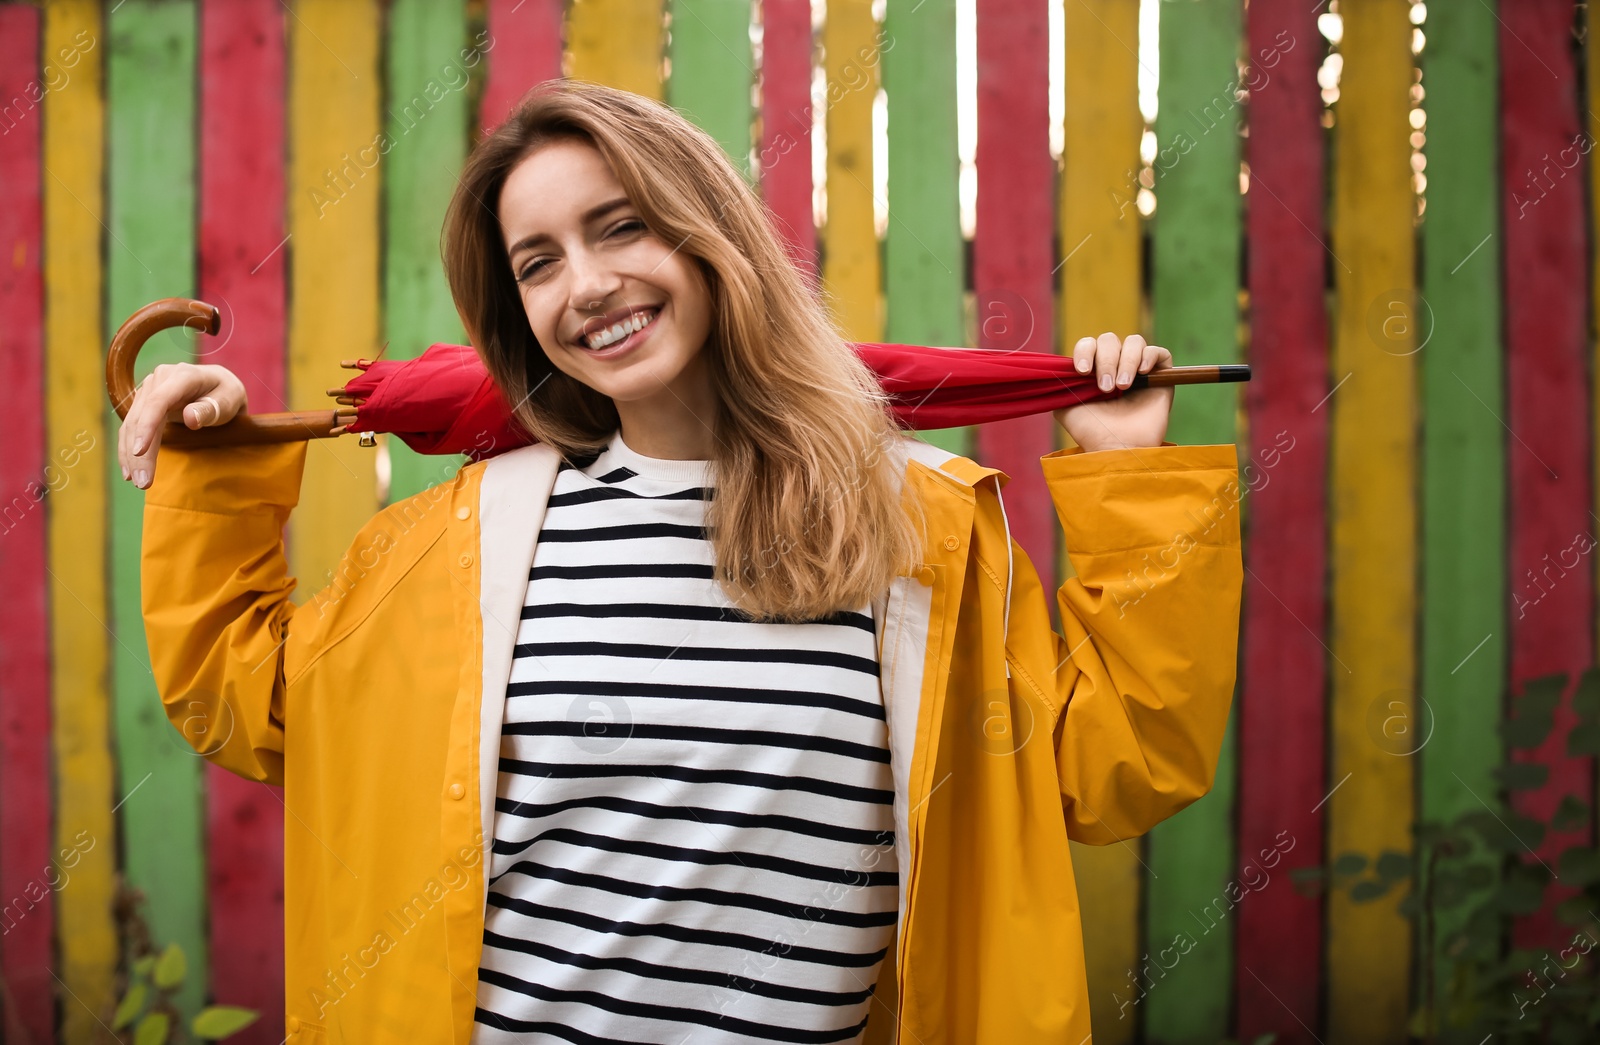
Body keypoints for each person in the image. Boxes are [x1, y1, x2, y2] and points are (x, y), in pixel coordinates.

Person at [119, 80, 1242, 1044]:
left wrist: (1129, 476)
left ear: (711, 236)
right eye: (538, 262)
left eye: (621, 227)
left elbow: (1114, 764)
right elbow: (250, 697)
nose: (588, 285)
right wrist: (216, 468)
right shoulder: (456, 546)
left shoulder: (918, 529)